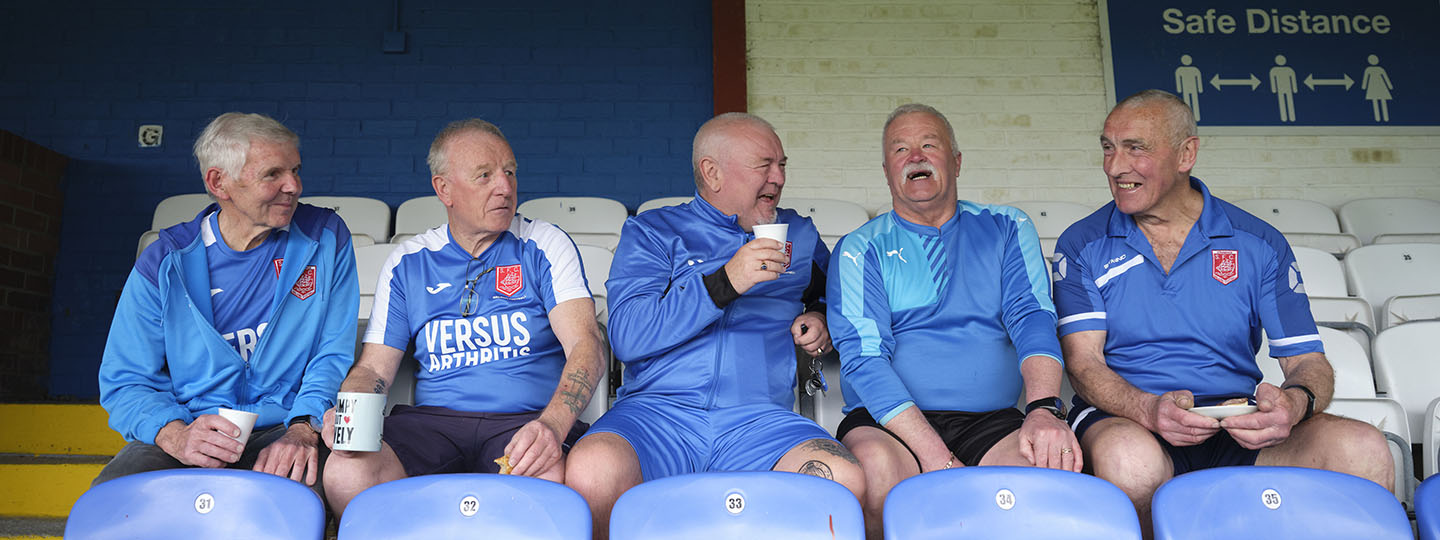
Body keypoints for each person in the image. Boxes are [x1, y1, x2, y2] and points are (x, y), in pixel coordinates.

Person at [1053, 89, 1393, 536]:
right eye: (1108, 148)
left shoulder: (1258, 242)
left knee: (1363, 448)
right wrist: (1149, 410)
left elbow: (1308, 363)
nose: (1115, 166)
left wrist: (1293, 405)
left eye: (1135, 148)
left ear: (1186, 154)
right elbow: (1083, 365)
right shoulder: (1082, 243)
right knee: (1131, 462)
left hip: (1234, 424)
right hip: (1128, 420)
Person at [564, 113, 865, 538]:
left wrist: (820, 317)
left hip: (761, 421)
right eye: (764, 165)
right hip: (657, 417)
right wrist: (725, 281)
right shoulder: (653, 231)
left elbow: (832, 295)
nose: (779, 178)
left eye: (782, 165)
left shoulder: (799, 234)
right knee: (592, 471)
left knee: (841, 479)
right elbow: (628, 336)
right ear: (712, 172)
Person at [322, 119, 604, 515]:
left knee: (543, 477)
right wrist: (350, 414)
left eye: (509, 172)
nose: (504, 187)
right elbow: (373, 368)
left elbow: (585, 345)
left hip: (524, 421)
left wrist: (552, 426)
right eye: (484, 175)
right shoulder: (409, 261)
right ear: (444, 189)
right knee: (345, 473)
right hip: (431, 426)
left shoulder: (543, 243)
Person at [827, 104, 1079, 537]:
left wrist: (1043, 410)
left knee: (1044, 478)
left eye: (929, 145)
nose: (915, 157)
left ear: (956, 162)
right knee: (875, 474)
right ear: (887, 172)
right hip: (888, 425)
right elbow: (864, 359)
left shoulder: (1007, 227)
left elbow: (1033, 318)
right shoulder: (859, 248)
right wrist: (938, 459)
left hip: (990, 419)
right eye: (900, 150)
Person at [96, 113, 358, 497]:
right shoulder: (165, 260)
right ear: (219, 182)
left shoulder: (325, 237)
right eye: (272, 174)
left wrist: (305, 426)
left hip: (287, 425)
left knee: (294, 503)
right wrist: (175, 434)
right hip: (193, 424)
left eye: (296, 170)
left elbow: (332, 353)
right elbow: (126, 379)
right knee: (113, 499)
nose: (294, 186)